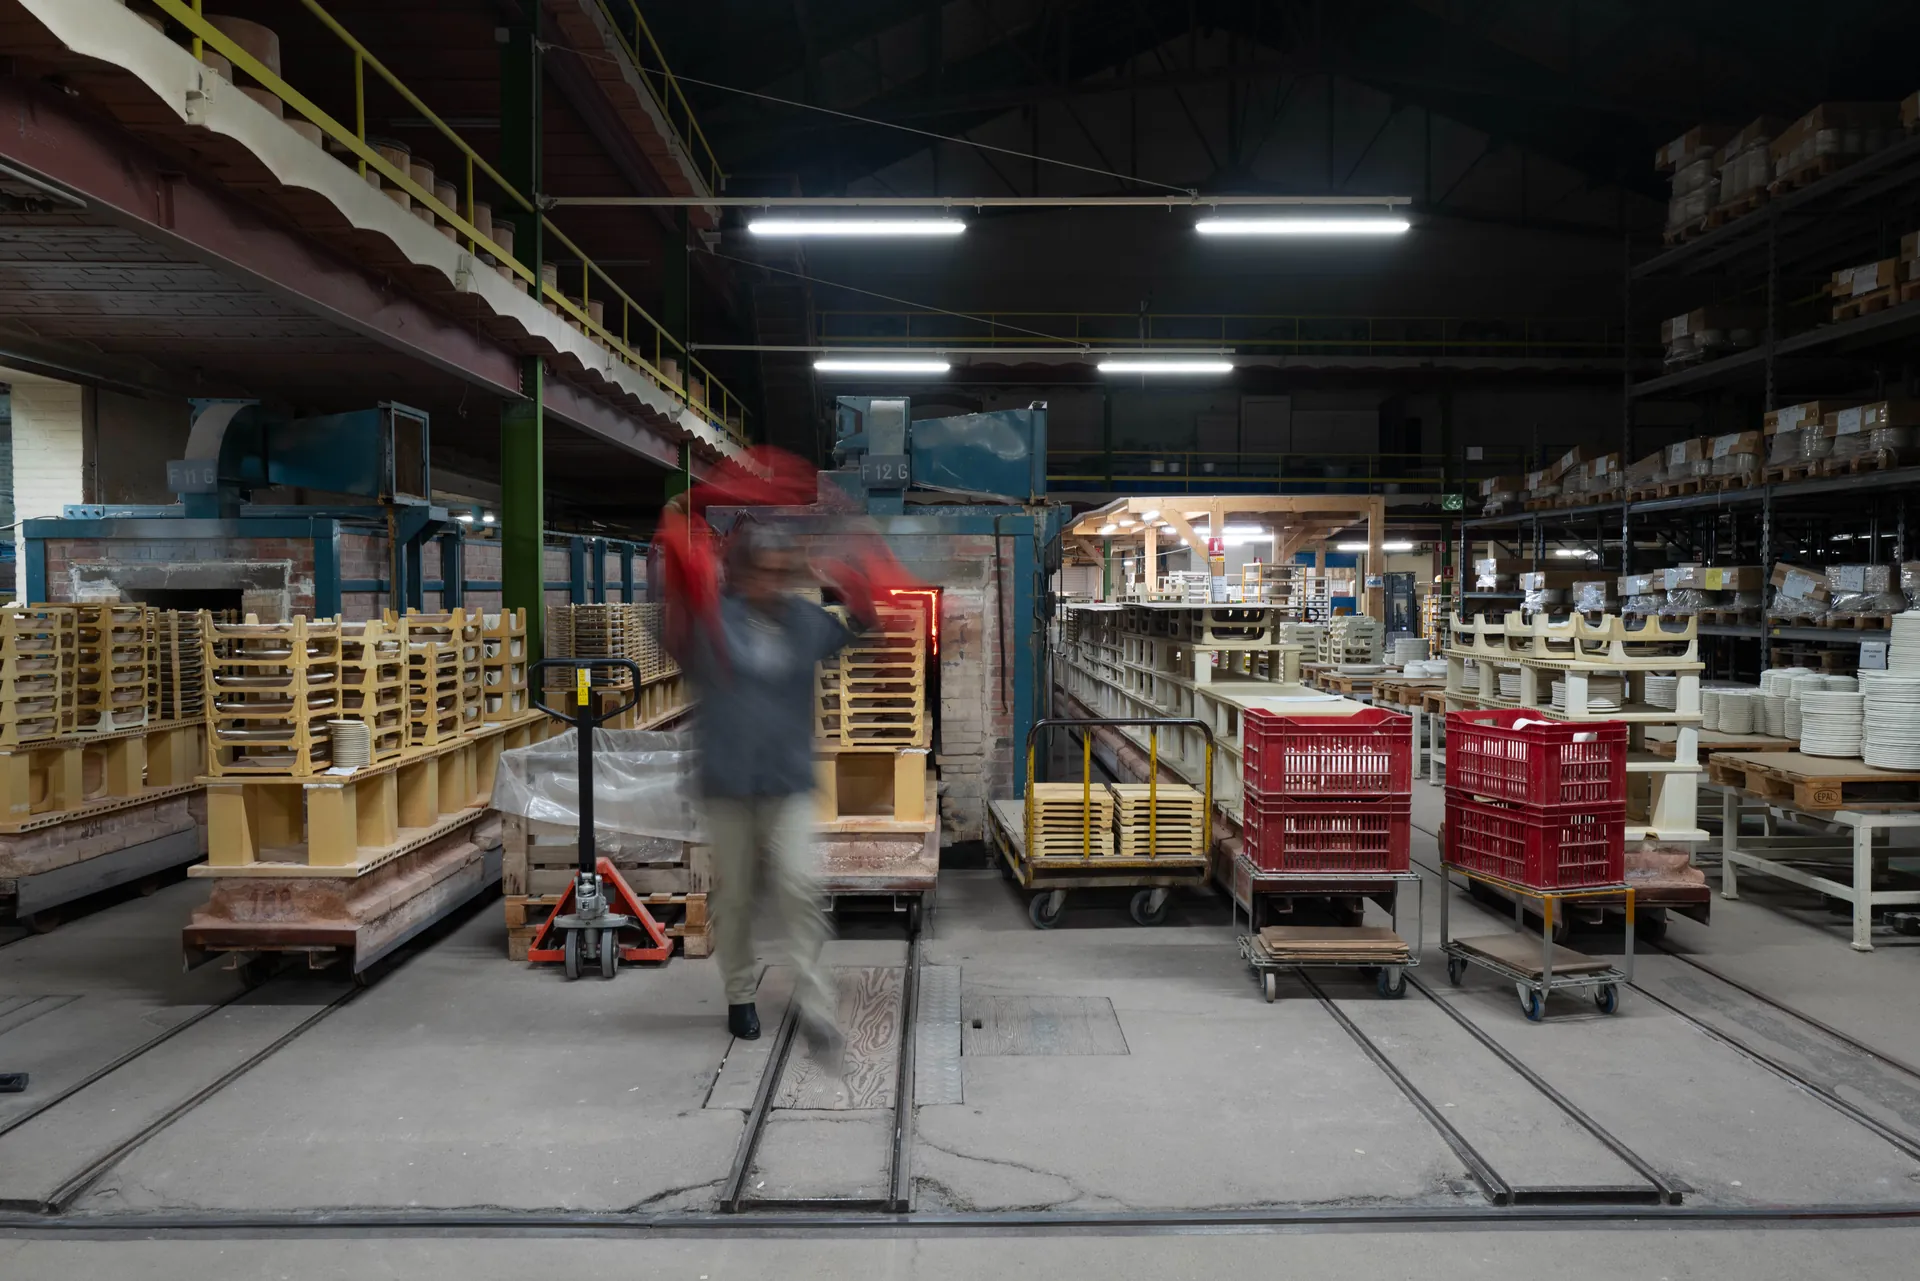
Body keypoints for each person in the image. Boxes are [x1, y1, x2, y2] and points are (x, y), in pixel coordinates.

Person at [666, 517, 863, 1067]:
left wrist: (855, 579)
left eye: (781, 573)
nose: (771, 584)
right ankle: (739, 994)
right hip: (728, 782)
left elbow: (856, 628)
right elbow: (674, 636)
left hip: (788, 780)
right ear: (740, 573)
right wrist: (676, 568)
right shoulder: (712, 623)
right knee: (734, 899)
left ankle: (816, 1007)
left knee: (801, 887)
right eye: (762, 572)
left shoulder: (805, 621)